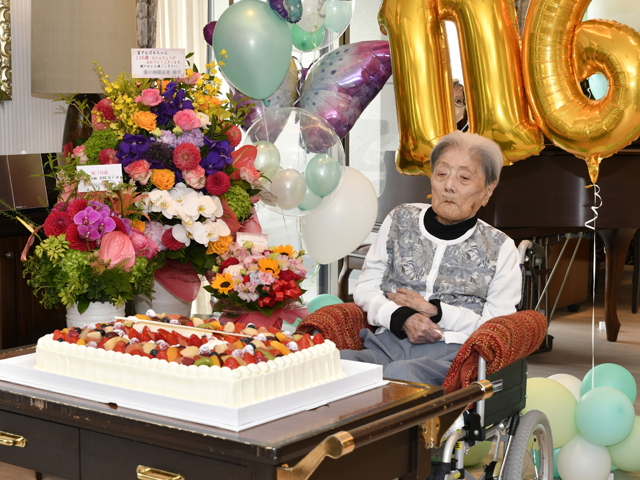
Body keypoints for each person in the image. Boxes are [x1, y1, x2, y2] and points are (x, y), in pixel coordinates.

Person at [340, 131, 521, 385]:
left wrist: (436, 311)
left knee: (399, 379)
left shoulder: (501, 248)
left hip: (449, 356)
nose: (449, 185)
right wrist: (400, 317)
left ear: (488, 191)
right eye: (442, 174)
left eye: (464, 177)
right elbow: (366, 287)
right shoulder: (399, 220)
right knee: (330, 368)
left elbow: (497, 328)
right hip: (383, 345)